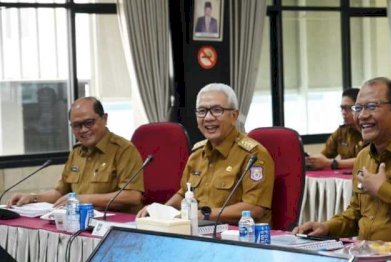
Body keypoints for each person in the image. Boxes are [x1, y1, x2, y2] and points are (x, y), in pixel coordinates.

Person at [294, 77, 391, 248]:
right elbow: (356, 213)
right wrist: (326, 227)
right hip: (367, 257)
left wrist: (384, 190)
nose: (362, 116)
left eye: (372, 107)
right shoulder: (364, 157)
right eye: (359, 108)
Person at [137, 83, 275, 224]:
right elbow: (184, 193)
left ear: (234, 116)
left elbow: (255, 208)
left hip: (239, 237)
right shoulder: (197, 155)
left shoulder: (253, 155)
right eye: (202, 111)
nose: (208, 118)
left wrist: (204, 215)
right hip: (199, 232)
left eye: (216, 110)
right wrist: (160, 211)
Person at [8, 97, 145, 213]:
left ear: (104, 118)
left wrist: (84, 199)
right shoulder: (77, 152)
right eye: (77, 126)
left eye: (89, 123)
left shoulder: (123, 150)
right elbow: (60, 193)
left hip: (114, 226)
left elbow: (132, 196)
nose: (83, 130)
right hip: (78, 222)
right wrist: (33, 198)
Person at [306, 88, 364, 170]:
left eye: (348, 108)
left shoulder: (369, 131)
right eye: (342, 108)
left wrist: (332, 163)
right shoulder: (341, 132)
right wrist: (311, 160)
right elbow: (325, 155)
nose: (343, 112)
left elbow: (366, 160)